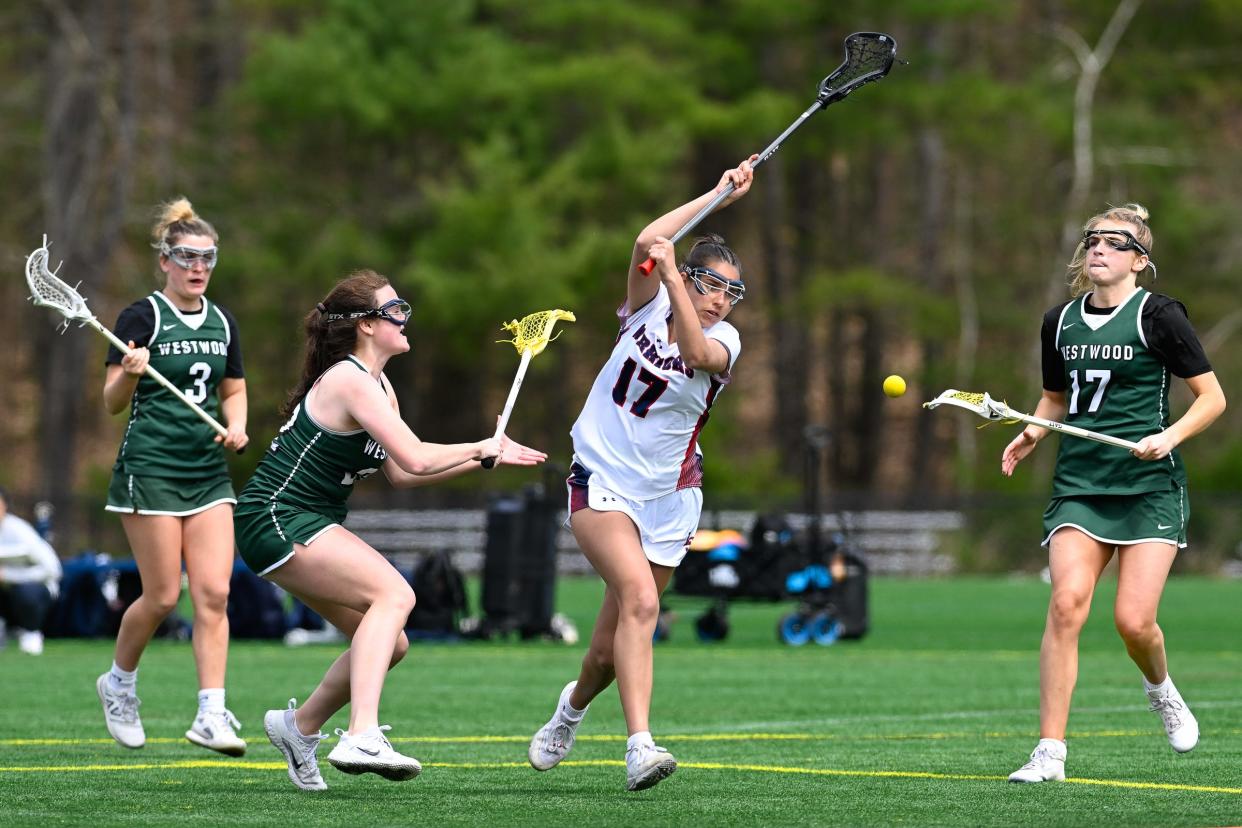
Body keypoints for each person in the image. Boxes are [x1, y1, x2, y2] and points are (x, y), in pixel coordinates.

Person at [236, 270, 546, 791]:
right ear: (365, 325)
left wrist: (486, 458)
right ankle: (360, 734)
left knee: (390, 641)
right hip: (275, 515)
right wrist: (477, 445)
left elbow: (403, 474)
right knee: (395, 593)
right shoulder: (350, 379)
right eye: (394, 308)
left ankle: (299, 727)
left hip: (300, 521)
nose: (405, 316)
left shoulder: (380, 385)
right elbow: (417, 457)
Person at [527, 157, 756, 791]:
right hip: (600, 479)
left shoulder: (726, 341)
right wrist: (715, 194)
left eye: (731, 292)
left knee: (606, 649)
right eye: (711, 284)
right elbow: (644, 243)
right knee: (643, 602)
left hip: (670, 493)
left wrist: (684, 286)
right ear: (688, 275)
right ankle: (640, 746)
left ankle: (570, 709)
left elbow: (695, 351)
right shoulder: (643, 304)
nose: (720, 300)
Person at [1000, 204, 1226, 783]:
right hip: (1080, 483)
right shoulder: (1059, 321)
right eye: (1092, 240)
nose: (1099, 249)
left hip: (1149, 486)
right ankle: (1050, 752)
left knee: (1133, 622)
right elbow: (1056, 397)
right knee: (1066, 603)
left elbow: (1212, 398)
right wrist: (1032, 430)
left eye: (1115, 242)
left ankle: (1161, 689)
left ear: (1139, 260)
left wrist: (1167, 436)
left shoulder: (1160, 315)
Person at [98, 198, 250, 755]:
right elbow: (112, 402)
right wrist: (131, 376)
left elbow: (232, 390)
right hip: (151, 470)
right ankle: (119, 684)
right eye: (187, 256)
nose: (198, 266)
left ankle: (211, 713)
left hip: (207, 473)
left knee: (214, 591)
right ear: (165, 259)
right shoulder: (141, 318)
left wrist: (237, 426)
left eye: (207, 257)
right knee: (162, 596)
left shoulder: (222, 320)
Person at [0, 488, 62, 655]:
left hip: (35, 591)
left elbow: (53, 570)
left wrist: (8, 577)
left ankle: (31, 632)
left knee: (26, 591)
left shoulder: (19, 531)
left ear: (5, 506)